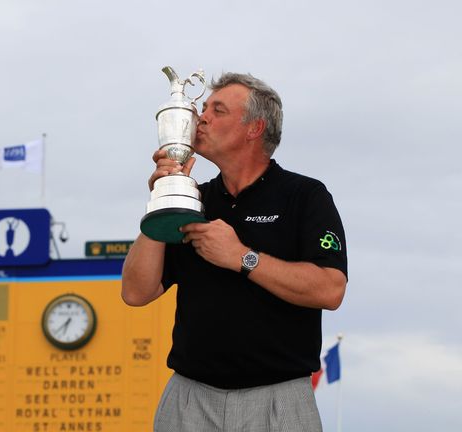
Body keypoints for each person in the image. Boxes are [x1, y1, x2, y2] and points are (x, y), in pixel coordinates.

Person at [121, 72, 347, 432]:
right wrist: (162, 200)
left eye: (217, 110)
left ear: (254, 128)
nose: (202, 117)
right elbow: (135, 291)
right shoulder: (196, 199)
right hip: (189, 397)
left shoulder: (305, 196)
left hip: (280, 400)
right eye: (203, 108)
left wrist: (242, 257)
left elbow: (330, 289)